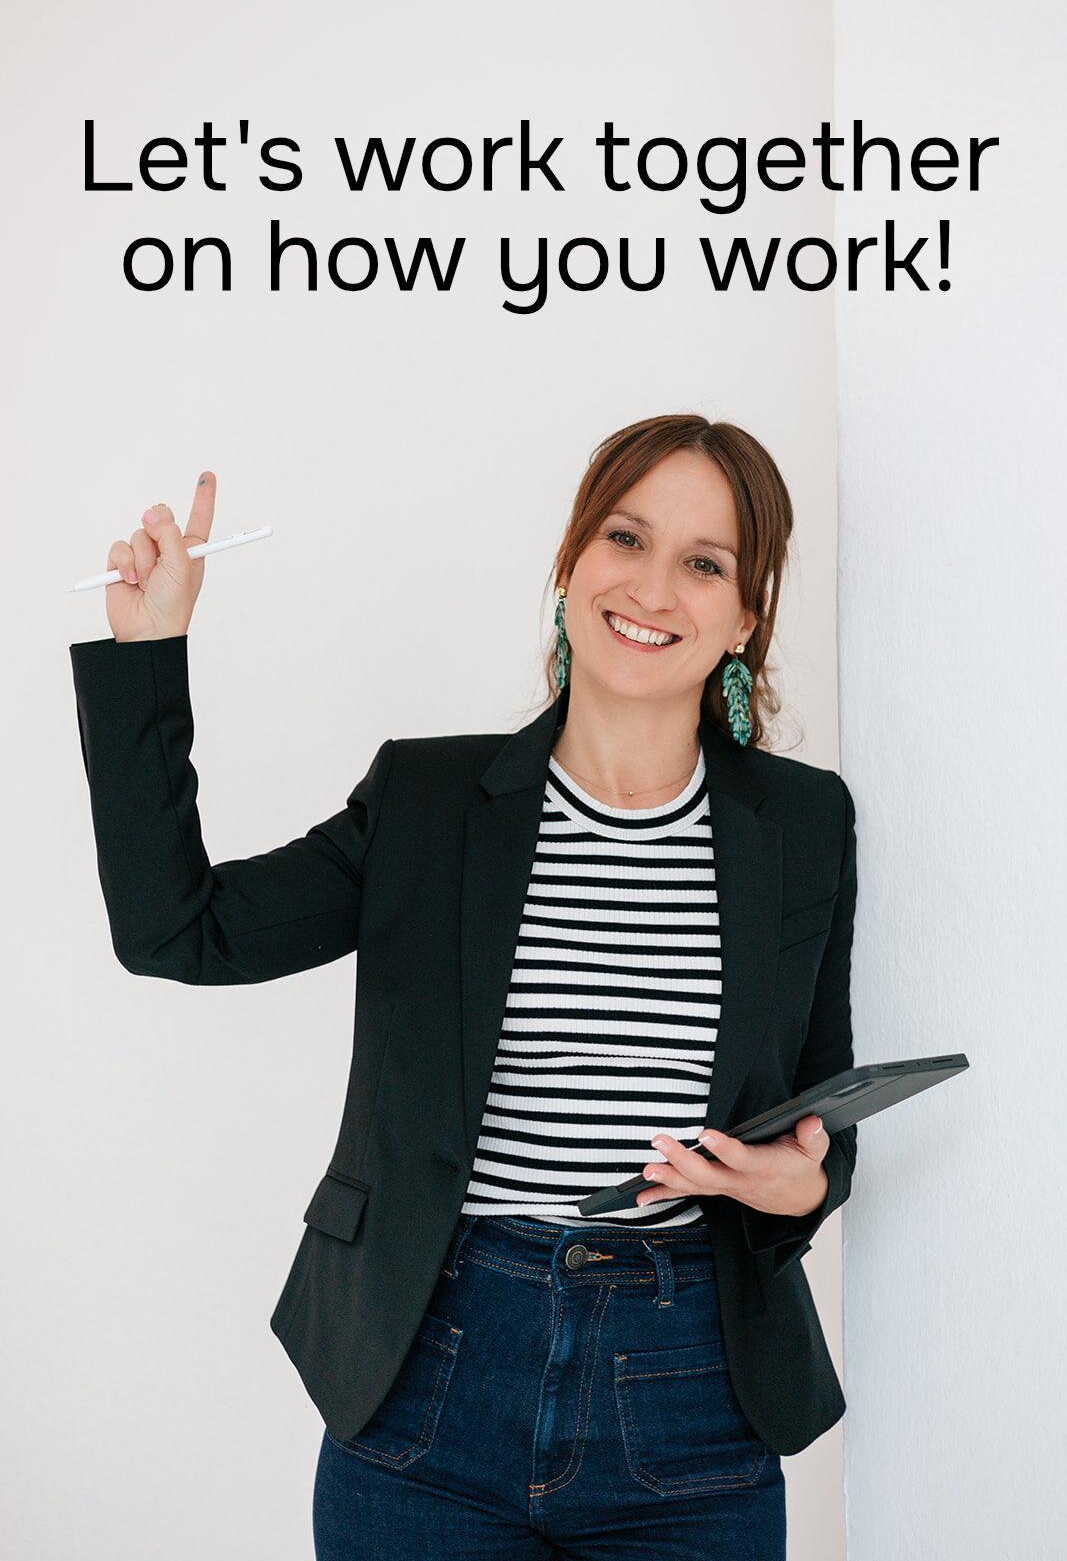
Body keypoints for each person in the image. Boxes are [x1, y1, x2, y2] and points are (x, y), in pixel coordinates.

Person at [69, 413, 859, 1561]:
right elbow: (177, 931)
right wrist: (148, 656)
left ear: (745, 617)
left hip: (691, 1392)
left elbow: (821, 1109)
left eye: (703, 562)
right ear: (570, 562)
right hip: (430, 1382)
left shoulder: (802, 824)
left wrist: (801, 1191)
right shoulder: (427, 801)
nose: (651, 585)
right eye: (624, 538)